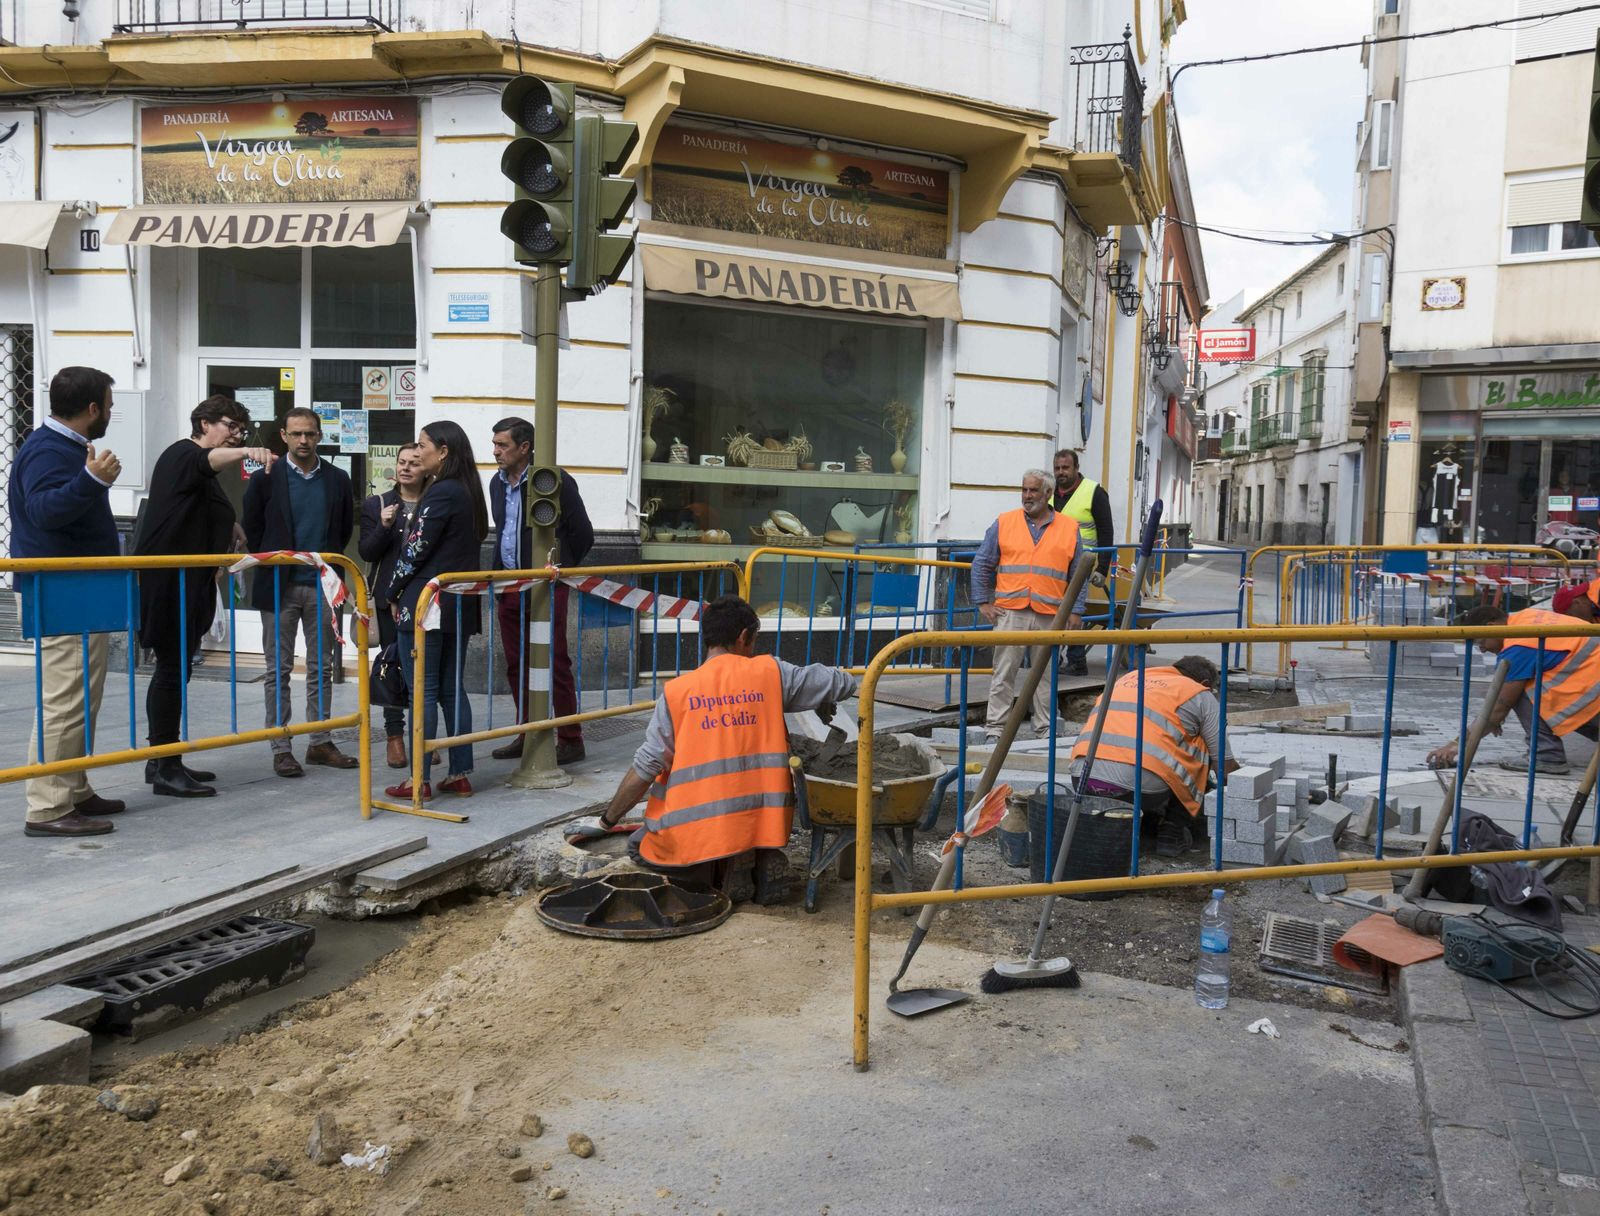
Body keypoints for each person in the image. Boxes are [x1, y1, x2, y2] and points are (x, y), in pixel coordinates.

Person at [587, 595, 858, 896]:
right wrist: (822, 696)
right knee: (749, 815)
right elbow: (843, 683)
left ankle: (720, 867)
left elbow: (647, 766)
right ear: (744, 637)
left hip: (699, 831)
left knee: (640, 846)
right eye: (754, 640)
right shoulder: (771, 674)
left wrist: (607, 821)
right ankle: (756, 856)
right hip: (763, 824)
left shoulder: (678, 692)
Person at [135, 396, 277, 797]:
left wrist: (229, 522)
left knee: (177, 668)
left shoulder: (197, 466)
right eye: (230, 427)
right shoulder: (183, 453)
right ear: (203, 422)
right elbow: (204, 464)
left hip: (191, 582)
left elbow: (197, 498)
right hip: (169, 583)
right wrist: (246, 451)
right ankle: (165, 764)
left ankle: (163, 758)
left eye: (240, 431)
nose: (235, 435)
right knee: (171, 669)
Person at [9, 366, 126, 837]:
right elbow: (42, 512)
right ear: (92, 408)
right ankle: (48, 807)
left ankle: (73, 788)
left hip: (78, 590)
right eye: (109, 405)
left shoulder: (63, 447)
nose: (112, 413)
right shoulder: (47, 450)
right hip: (61, 590)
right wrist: (92, 482)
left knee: (82, 698)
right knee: (63, 700)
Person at [241, 407, 356, 778]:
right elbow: (254, 531)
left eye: (310, 434)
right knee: (279, 669)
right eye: (296, 434)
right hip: (279, 587)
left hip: (321, 587)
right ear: (283, 436)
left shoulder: (338, 479)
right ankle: (281, 745)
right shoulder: (265, 479)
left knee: (322, 667)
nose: (303, 440)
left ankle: (319, 741)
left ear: (320, 436)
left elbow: (342, 530)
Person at [383, 420, 488, 801]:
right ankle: (459, 772)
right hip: (459, 603)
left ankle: (418, 779)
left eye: (424, 445)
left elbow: (415, 549)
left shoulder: (441, 492)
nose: (418, 450)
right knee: (450, 689)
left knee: (423, 692)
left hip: (427, 604)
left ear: (442, 452)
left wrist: (391, 590)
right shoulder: (469, 490)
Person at [487, 416, 594, 765]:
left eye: (503, 445)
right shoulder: (496, 483)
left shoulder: (554, 480)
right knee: (516, 663)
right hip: (509, 585)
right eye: (495, 444)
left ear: (524, 447)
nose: (496, 451)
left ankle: (570, 738)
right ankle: (527, 732)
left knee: (555, 661)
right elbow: (504, 529)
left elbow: (582, 532)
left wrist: (560, 570)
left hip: (547, 585)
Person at [1069, 655, 1240, 856]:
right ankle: (1172, 830)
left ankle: (1141, 823)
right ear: (1205, 683)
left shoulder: (1129, 678)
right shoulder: (1199, 693)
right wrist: (1245, 787)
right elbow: (1224, 767)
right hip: (1137, 789)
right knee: (1203, 745)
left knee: (1159, 744)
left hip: (1082, 779)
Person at [970, 468, 1089, 740]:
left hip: (1050, 613)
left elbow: (1078, 576)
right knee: (1003, 672)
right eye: (1024, 490)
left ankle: (1044, 727)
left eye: (1033, 490)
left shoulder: (1069, 528)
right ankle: (996, 727)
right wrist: (982, 602)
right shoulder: (1005, 522)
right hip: (1010, 610)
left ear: (1047, 493)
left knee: (1044, 675)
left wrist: (1076, 610)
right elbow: (982, 563)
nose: (1027, 496)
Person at [1426, 603, 1600, 777]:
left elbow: (1498, 708)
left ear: (1491, 627)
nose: (1483, 649)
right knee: (1517, 685)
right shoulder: (1527, 618)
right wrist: (1493, 717)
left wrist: (1457, 745)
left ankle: (1546, 755)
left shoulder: (1519, 644)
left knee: (1521, 689)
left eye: (1481, 641)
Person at [359, 442, 426, 768]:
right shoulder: (378, 503)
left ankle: (423, 736)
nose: (406, 468)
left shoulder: (434, 502)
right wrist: (384, 527)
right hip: (388, 601)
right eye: (402, 462)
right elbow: (368, 552)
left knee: (423, 672)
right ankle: (394, 738)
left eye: (414, 462)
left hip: (425, 599)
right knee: (391, 667)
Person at [1050, 448, 1115, 677]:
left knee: (1072, 611)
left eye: (1065, 468)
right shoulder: (1050, 492)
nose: (1061, 472)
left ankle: (1076, 661)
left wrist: (1102, 569)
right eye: (1057, 468)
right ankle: (1055, 658)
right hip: (1053, 564)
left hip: (1081, 565)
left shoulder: (1093, 492)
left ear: (1076, 468)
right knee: (1053, 610)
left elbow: (1106, 532)